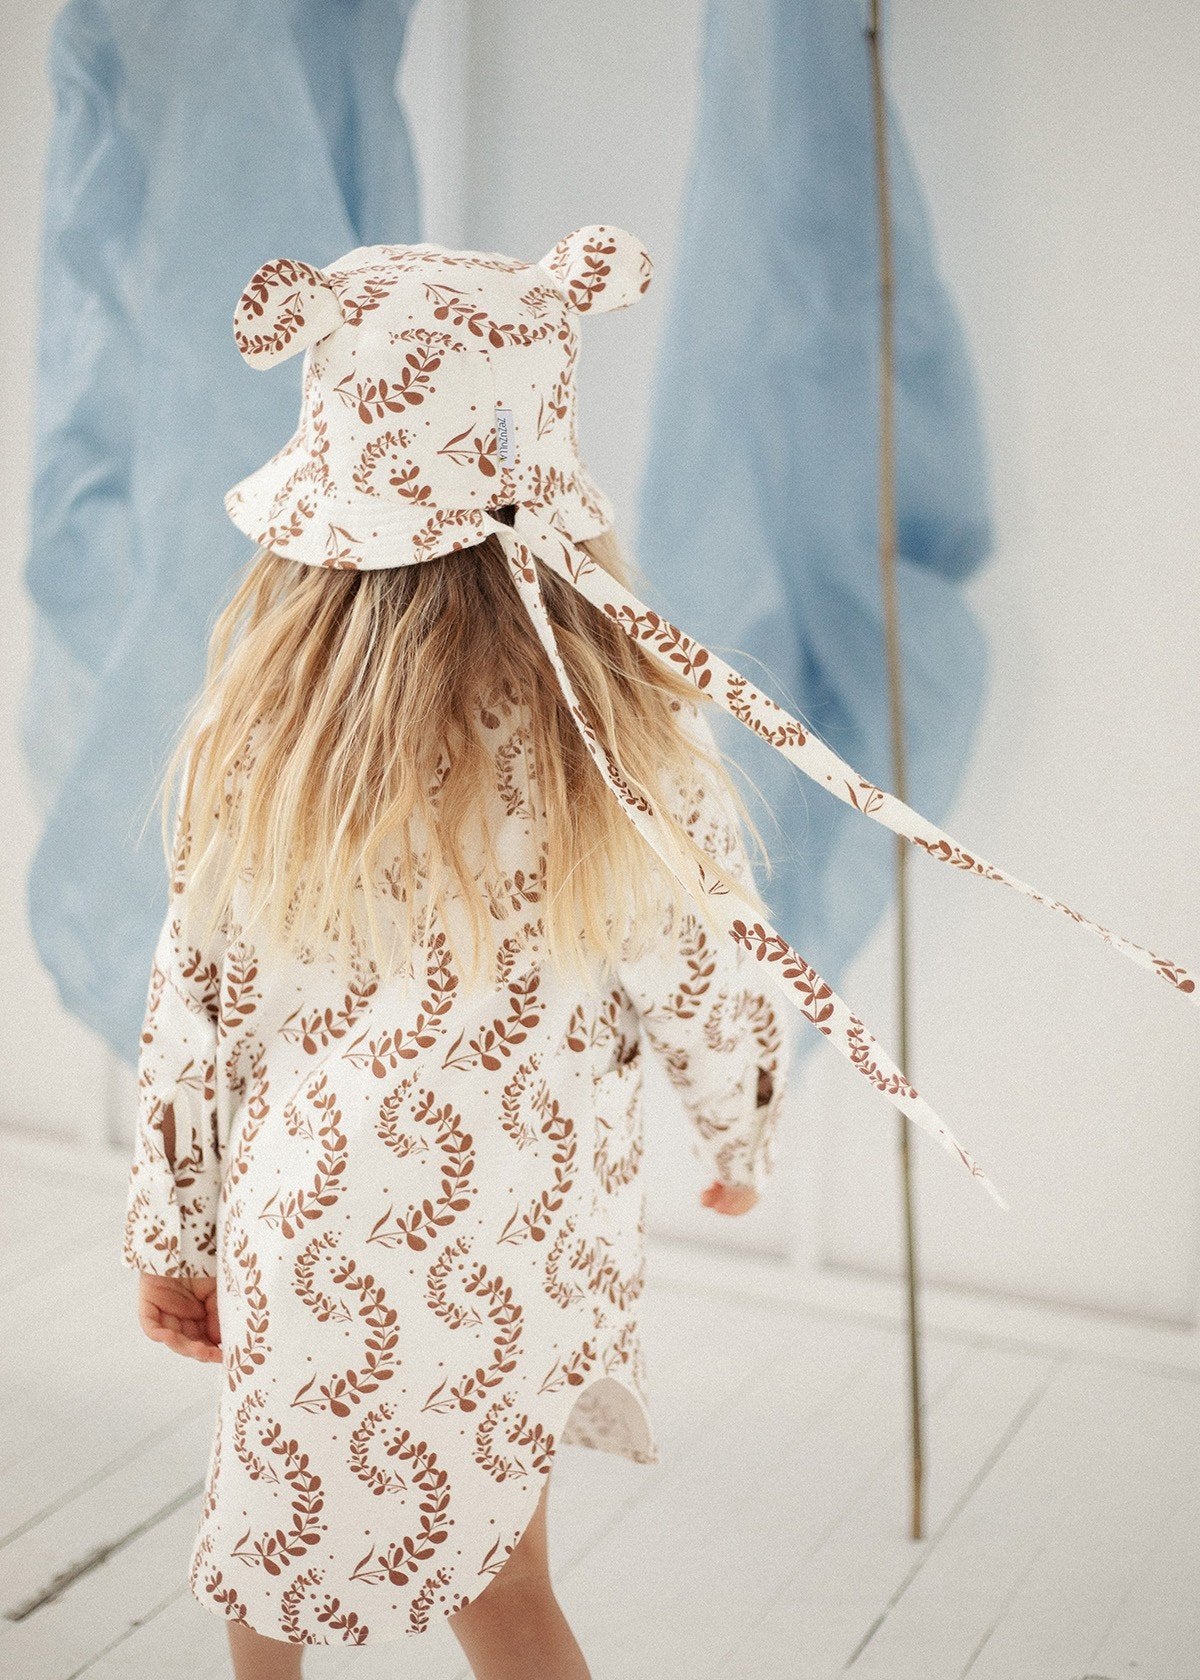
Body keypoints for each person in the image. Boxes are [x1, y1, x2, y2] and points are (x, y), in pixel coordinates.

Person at [124, 226, 788, 1677]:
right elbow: (709, 955)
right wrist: (736, 1126)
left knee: (275, 1550)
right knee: (508, 1577)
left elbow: (203, 1003)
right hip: (523, 1221)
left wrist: (173, 1227)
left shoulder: (268, 736)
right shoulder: (618, 729)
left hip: (317, 1208)